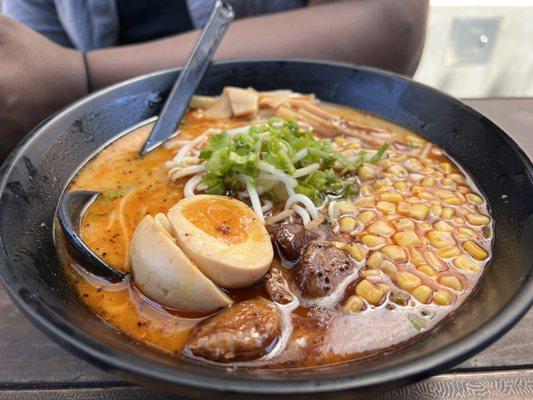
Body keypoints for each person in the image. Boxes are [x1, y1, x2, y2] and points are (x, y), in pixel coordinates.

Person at [0, 0, 428, 160]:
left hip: (333, 129)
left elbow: (391, 20)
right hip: (110, 145)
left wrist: (81, 74)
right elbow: (33, 70)